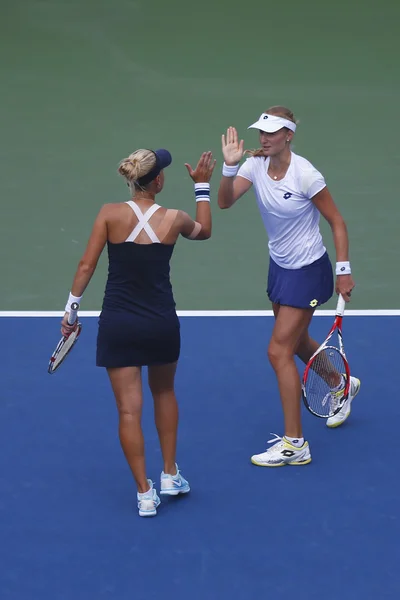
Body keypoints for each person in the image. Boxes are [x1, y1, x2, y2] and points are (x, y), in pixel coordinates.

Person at [60, 148, 216, 515]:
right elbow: (204, 231)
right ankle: (169, 474)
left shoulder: (109, 214)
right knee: (164, 393)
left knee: (129, 412)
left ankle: (145, 493)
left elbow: (87, 265)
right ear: (158, 180)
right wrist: (203, 186)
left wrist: (71, 310)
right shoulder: (175, 219)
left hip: (119, 325)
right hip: (160, 324)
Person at [217, 106, 361, 467]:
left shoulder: (305, 175)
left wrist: (343, 270)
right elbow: (224, 201)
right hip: (279, 266)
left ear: (288, 136)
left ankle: (295, 443)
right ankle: (340, 382)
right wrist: (230, 165)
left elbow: (337, 221)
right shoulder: (253, 166)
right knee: (294, 341)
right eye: (261, 132)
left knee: (277, 352)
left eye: (272, 132)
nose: (264, 138)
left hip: (309, 270)